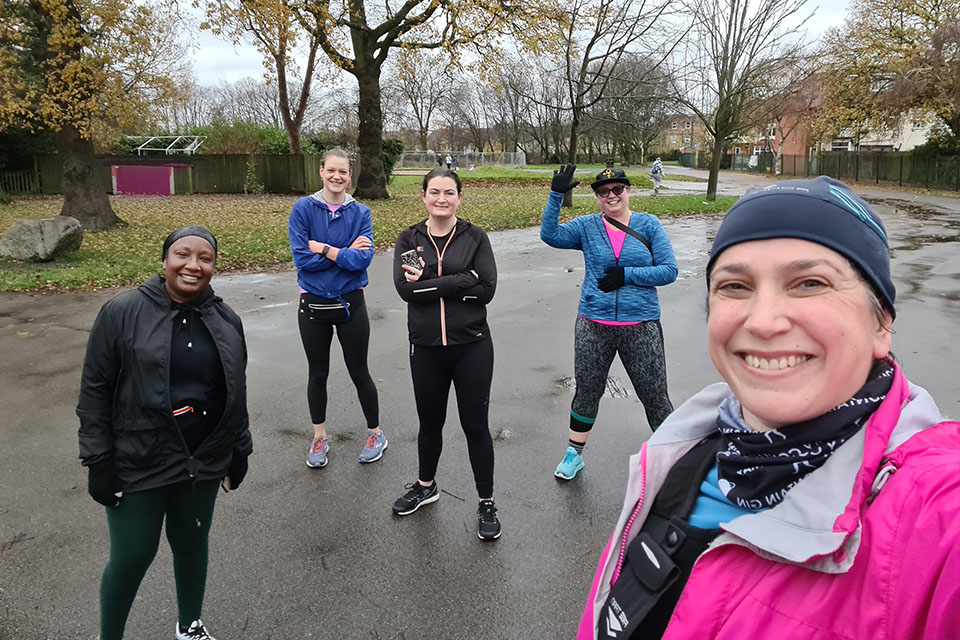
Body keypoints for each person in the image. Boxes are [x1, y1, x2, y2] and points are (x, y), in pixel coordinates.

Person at [578, 176, 960, 640]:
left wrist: (631, 276)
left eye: (810, 283)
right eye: (735, 286)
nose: (762, 321)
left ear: (882, 321)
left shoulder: (934, 513)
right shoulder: (679, 452)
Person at [77, 226, 252, 640]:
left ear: (213, 266)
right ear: (165, 261)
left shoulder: (226, 318)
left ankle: (189, 624)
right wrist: (98, 459)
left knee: (192, 546)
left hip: (202, 458)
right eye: (182, 255)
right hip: (139, 455)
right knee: (133, 554)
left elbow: (235, 388)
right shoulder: (122, 312)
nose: (193, 265)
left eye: (205, 258)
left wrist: (239, 449)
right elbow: (95, 391)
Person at [541, 165, 678, 481]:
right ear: (598, 197)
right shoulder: (588, 227)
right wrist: (556, 195)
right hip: (593, 323)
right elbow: (550, 235)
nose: (611, 195)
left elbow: (669, 270)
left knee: (655, 395)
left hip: (640, 325)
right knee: (587, 391)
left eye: (618, 189)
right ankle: (574, 454)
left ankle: (673, 458)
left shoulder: (648, 225)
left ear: (628, 191)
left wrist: (627, 275)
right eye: (604, 191)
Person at [391, 167, 501, 541]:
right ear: (422, 195)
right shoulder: (409, 238)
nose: (442, 199)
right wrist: (461, 280)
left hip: (471, 347)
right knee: (429, 424)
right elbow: (405, 292)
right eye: (434, 192)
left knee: (475, 427)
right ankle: (426, 486)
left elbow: (486, 289)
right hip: (425, 349)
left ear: (459, 197)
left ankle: (486, 501)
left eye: (449, 193)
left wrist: (430, 284)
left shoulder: (475, 237)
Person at [288, 148, 385, 468]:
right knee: (317, 374)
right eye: (332, 170)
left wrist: (326, 249)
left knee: (360, 372)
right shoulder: (303, 209)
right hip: (313, 303)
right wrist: (344, 253)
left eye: (343, 172)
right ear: (321, 172)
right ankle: (319, 438)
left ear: (350, 175)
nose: (337, 177)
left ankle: (375, 433)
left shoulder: (361, 213)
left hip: (351, 303)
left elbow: (362, 260)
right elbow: (303, 260)